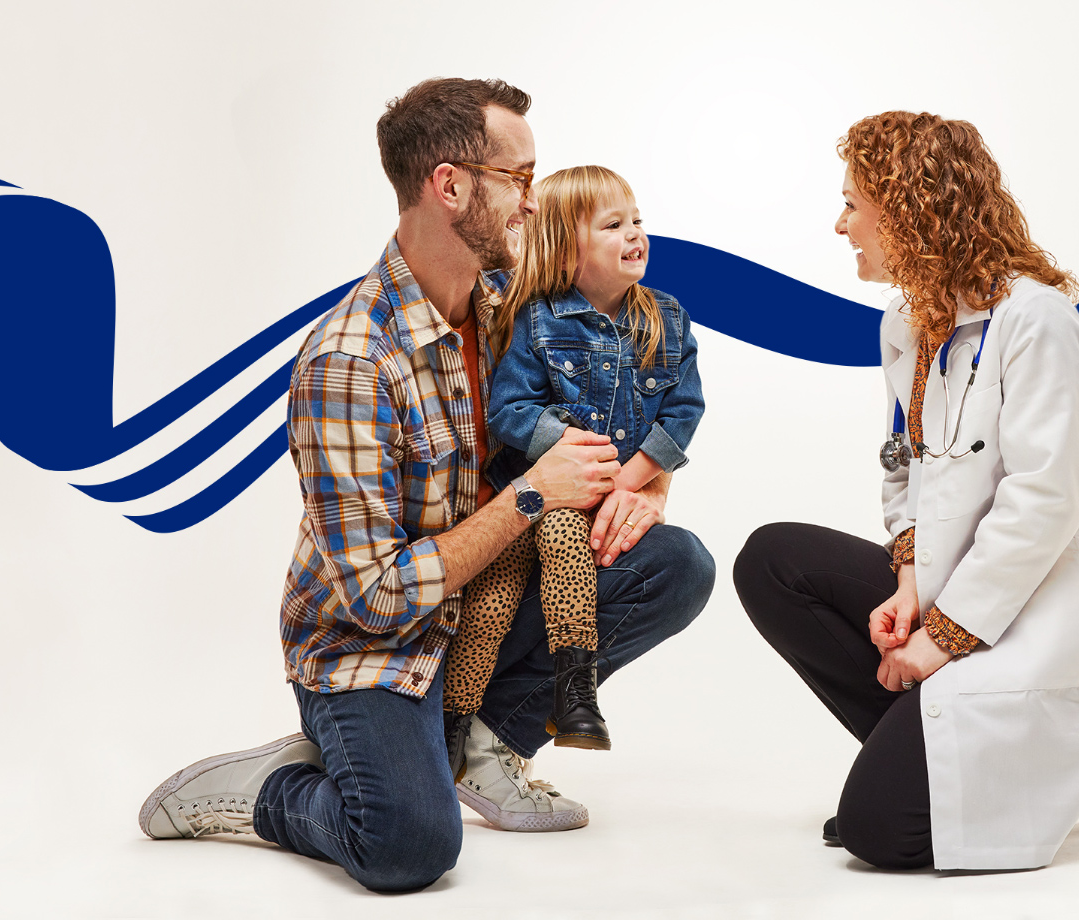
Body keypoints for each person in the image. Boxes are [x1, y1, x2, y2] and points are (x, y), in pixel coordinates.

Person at [137, 77, 714, 892]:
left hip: (481, 606)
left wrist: (641, 487)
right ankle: (269, 789)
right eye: (521, 179)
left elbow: (619, 416)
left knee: (674, 563)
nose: (535, 204)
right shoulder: (349, 359)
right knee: (408, 847)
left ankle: (482, 745)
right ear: (451, 186)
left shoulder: (512, 312)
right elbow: (373, 597)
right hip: (371, 648)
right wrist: (533, 495)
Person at [734, 111, 1079, 871]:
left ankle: (969, 776)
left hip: (1031, 613)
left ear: (910, 208)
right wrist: (909, 579)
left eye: (854, 203)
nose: (840, 224)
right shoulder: (908, 321)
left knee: (878, 835)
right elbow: (907, 468)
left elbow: (1045, 504)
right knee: (772, 561)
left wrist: (941, 636)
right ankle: (924, 759)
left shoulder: (1037, 320)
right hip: (958, 583)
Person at [442, 165, 704, 752]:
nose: (635, 233)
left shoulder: (667, 317)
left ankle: (572, 694)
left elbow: (683, 411)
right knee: (490, 606)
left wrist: (627, 483)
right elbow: (510, 410)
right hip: (536, 498)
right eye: (613, 225)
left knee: (608, 556)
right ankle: (452, 727)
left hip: (604, 499)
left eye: (637, 220)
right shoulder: (537, 319)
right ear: (566, 252)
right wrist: (572, 458)